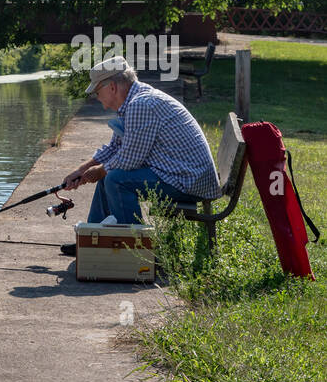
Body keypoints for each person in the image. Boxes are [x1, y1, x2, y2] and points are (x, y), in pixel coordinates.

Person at [58, 56, 219, 257]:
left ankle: (136, 252)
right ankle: (91, 241)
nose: (98, 100)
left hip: (189, 182)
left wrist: (98, 171)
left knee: (115, 179)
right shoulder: (132, 103)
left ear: (112, 87)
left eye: (98, 92)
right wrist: (81, 171)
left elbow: (128, 160)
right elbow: (116, 148)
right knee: (108, 175)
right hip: (181, 175)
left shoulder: (141, 104)